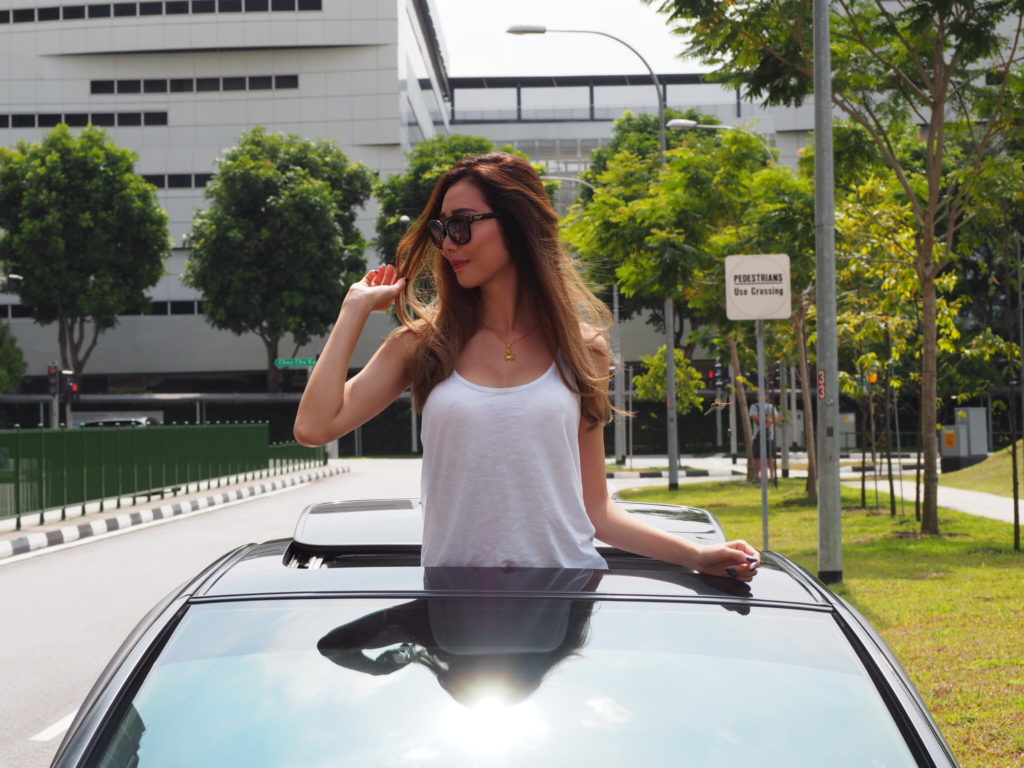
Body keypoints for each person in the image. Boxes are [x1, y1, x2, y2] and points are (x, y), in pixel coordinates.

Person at [294, 152, 759, 580]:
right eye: (441, 230)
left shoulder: (582, 350)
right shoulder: (422, 345)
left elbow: (597, 511)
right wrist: (352, 309)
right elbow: (314, 428)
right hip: (454, 603)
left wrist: (697, 556)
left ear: (517, 224)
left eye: (463, 224)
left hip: (566, 593)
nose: (448, 244)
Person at [749, 397, 779, 483]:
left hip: (770, 437)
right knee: (757, 457)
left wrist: (767, 422)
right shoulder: (754, 406)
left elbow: (775, 418)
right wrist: (767, 421)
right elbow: (755, 418)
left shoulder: (771, 407)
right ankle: (759, 477)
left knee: (770, 457)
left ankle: (772, 477)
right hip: (757, 436)